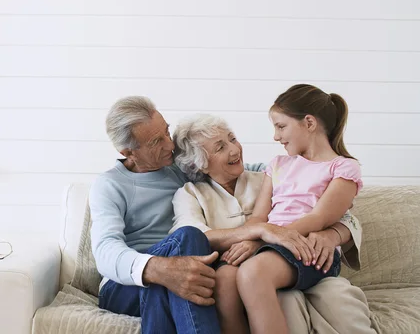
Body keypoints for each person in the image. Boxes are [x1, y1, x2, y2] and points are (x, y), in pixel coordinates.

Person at [89, 96, 311, 334]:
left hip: (179, 273)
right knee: (189, 237)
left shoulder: (179, 169)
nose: (169, 145)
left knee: (171, 280)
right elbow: (105, 250)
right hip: (124, 286)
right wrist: (158, 269)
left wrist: (290, 169)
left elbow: (248, 171)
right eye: (156, 141)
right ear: (129, 152)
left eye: (166, 131)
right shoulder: (109, 185)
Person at [171, 112, 374, 334]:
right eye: (220, 148)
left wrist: (333, 235)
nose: (234, 149)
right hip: (243, 270)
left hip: (293, 259)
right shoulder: (190, 194)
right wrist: (260, 230)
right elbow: (192, 237)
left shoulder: (268, 176)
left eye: (232, 138)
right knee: (225, 279)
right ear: (200, 165)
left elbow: (340, 213)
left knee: (327, 297)